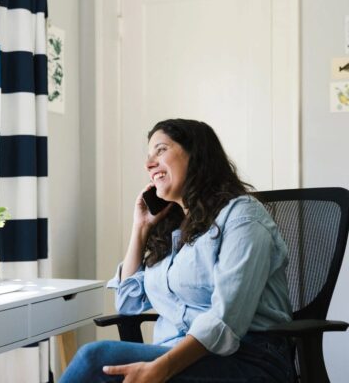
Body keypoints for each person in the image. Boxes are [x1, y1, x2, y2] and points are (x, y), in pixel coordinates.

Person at [59, 119, 295, 383]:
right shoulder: (175, 229)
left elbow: (226, 320)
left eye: (161, 150)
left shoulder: (243, 217)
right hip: (177, 355)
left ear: (196, 155)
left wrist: (162, 368)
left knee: (96, 359)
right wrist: (140, 229)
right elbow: (127, 302)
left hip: (249, 360)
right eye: (148, 157)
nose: (149, 164)